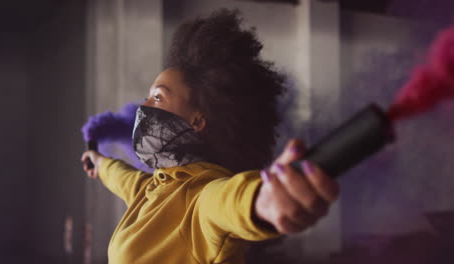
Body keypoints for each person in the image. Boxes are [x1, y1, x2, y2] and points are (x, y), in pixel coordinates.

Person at [81, 9, 339, 264]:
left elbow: (230, 201)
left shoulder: (201, 195)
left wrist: (264, 199)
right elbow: (122, 177)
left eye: (158, 97)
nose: (143, 107)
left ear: (198, 121)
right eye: (147, 97)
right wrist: (98, 161)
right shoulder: (155, 188)